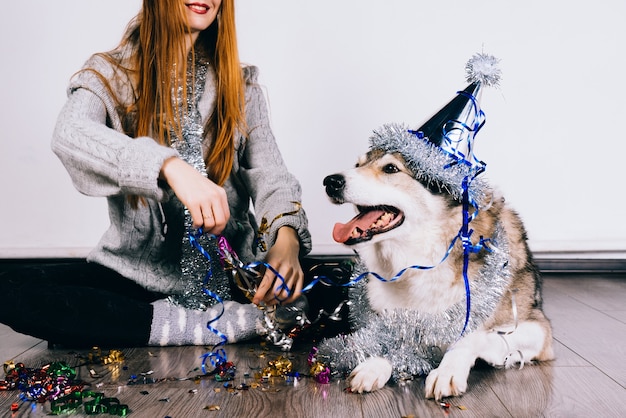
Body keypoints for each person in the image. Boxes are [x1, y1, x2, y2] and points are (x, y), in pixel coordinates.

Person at [0, 0, 311, 348]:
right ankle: (212, 327)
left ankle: (172, 324)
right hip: (134, 280)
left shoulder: (242, 86)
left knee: (330, 285)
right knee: (9, 290)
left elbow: (272, 175)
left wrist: (286, 240)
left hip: (233, 278)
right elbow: (69, 134)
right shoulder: (110, 73)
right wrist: (168, 166)